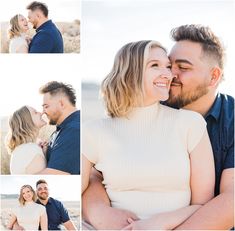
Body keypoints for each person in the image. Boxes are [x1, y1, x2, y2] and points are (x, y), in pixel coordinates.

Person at [82, 25, 234, 230]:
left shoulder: (204, 123)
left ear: (214, 77)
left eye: (183, 68)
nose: (170, 75)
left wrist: (157, 226)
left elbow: (230, 201)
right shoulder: (151, 101)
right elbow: (96, 175)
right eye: (167, 66)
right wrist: (100, 213)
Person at [38, 81, 80, 175]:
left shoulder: (74, 130)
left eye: (46, 106)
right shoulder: (62, 129)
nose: (43, 112)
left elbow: (55, 173)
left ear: (61, 104)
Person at [6, 106, 47, 174]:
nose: (41, 113)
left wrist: (44, 153)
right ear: (27, 122)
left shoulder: (23, 148)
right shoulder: (32, 150)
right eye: (35, 112)